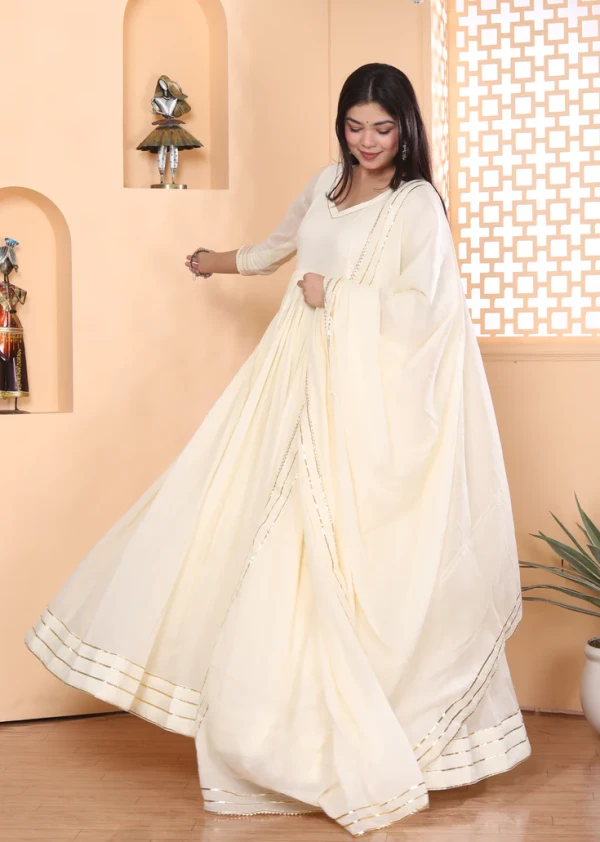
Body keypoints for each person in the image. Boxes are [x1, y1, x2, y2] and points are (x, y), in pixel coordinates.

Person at [25, 63, 531, 836]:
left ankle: (382, 736)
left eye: (382, 128)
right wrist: (217, 261)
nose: (368, 142)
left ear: (406, 129)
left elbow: (428, 312)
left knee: (346, 560)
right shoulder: (327, 184)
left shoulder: (417, 205)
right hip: (291, 382)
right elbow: (280, 247)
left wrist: (340, 296)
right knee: (260, 542)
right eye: (355, 126)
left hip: (362, 405)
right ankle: (270, 738)